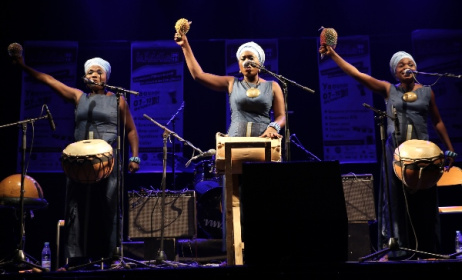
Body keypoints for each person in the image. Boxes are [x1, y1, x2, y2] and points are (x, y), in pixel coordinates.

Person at [319, 45, 457, 259]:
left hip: (424, 152)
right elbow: (357, 74)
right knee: (395, 200)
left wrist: (449, 148)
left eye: (410, 64)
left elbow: (437, 121)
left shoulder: (427, 91)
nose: (407, 67)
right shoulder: (388, 89)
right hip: (396, 151)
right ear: (395, 71)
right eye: (401, 65)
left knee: (425, 198)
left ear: (416, 68)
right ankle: (397, 248)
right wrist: (333, 55)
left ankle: (428, 248)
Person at [10, 53, 140, 268]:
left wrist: (134, 156)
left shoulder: (118, 99)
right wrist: (23, 66)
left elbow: (132, 131)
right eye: (90, 72)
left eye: (99, 72)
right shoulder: (79, 97)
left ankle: (113, 255)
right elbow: (49, 80)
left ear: (107, 77)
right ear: (84, 77)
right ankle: (76, 258)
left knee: (109, 207)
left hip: (108, 162)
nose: (95, 75)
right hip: (79, 163)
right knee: (76, 209)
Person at [174, 32, 286, 139]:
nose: (247, 62)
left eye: (251, 58)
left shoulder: (273, 86)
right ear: (239, 66)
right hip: (235, 142)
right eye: (243, 59)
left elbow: (281, 116)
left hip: (264, 140)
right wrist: (185, 45)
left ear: (260, 63)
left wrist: (273, 127)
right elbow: (199, 75)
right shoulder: (232, 83)